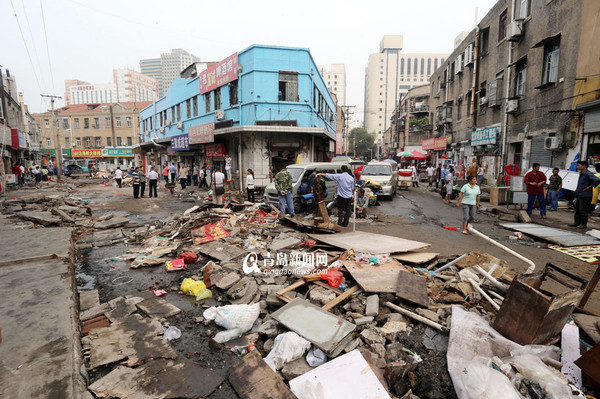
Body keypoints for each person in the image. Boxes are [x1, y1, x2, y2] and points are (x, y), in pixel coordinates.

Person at [569, 161, 600, 229]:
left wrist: (590, 186)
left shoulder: (588, 174)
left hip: (585, 195)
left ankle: (583, 224)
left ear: (584, 166)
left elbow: (597, 180)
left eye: (579, 165)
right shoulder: (581, 174)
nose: (578, 167)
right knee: (577, 210)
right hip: (579, 194)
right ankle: (576, 223)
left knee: (583, 210)